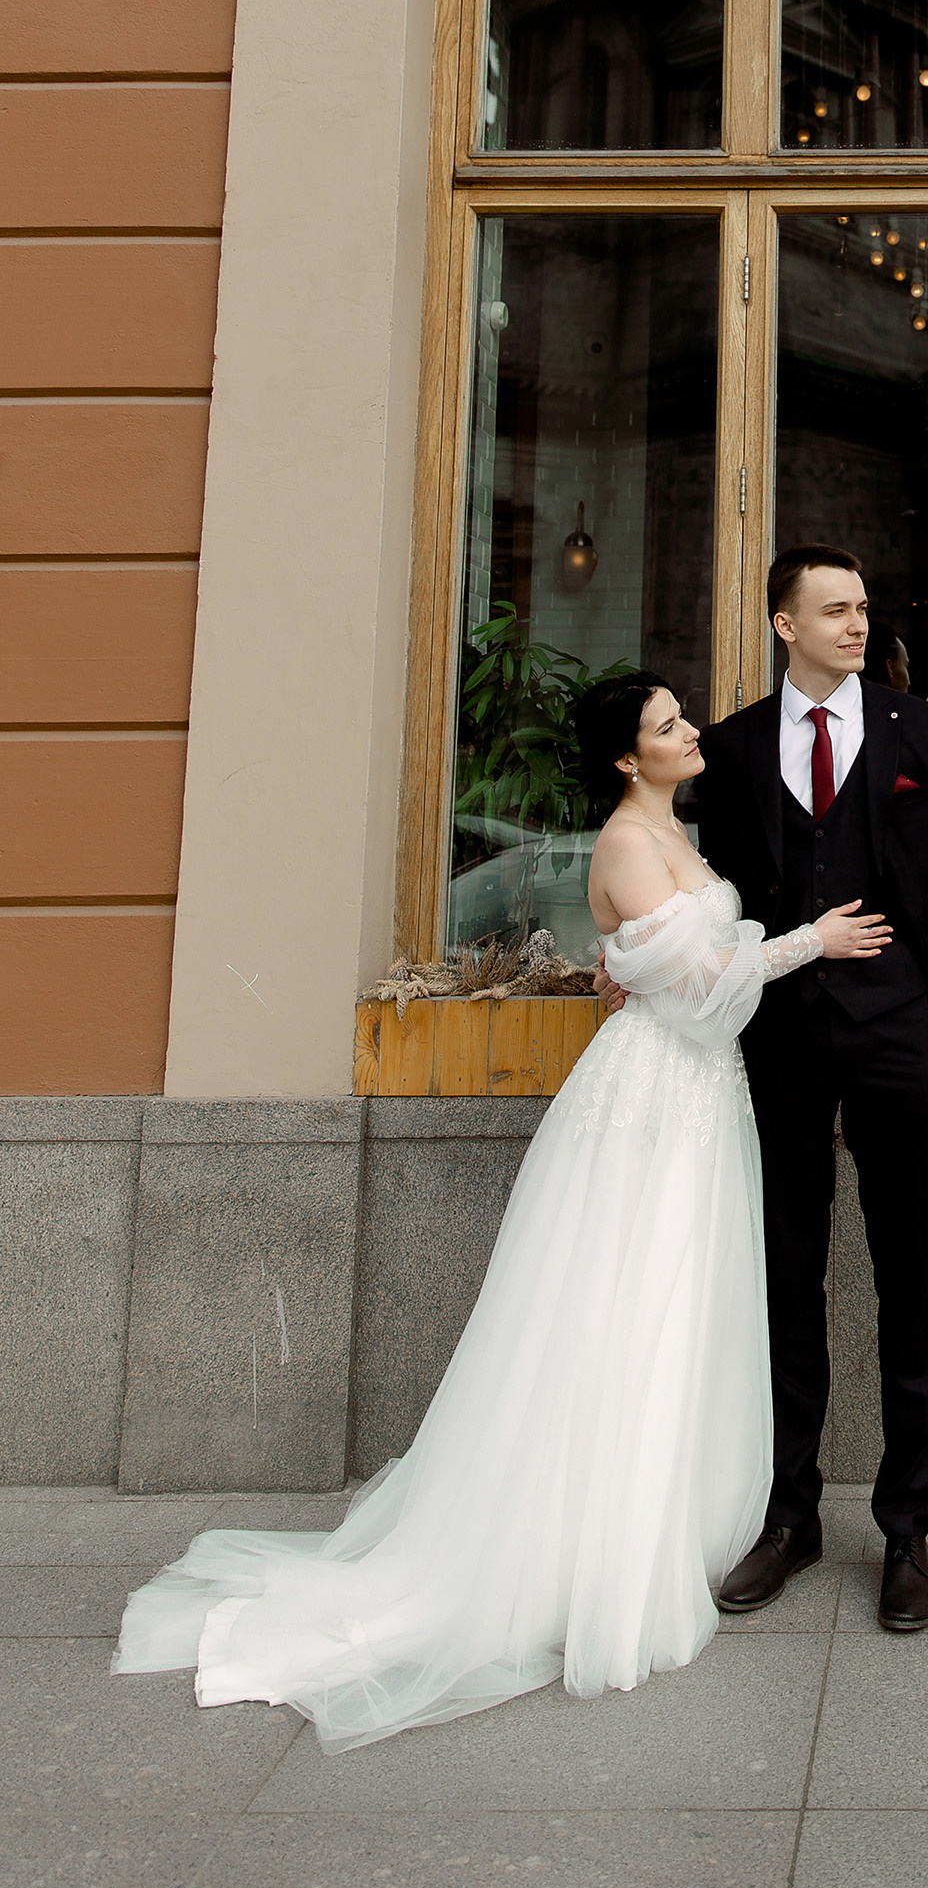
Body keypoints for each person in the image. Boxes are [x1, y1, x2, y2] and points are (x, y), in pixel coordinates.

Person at [110, 674, 888, 1752]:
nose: (689, 732)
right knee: (624, 1315)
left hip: (694, 1102)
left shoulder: (668, 829)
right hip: (651, 1109)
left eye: (681, 720)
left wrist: (650, 963)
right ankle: (593, 1553)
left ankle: (650, 1527)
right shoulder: (626, 841)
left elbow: (666, 970)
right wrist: (810, 941)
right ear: (627, 758)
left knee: (674, 1312)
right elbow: (705, 990)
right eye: (667, 726)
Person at [621, 548, 928, 1633]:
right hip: (776, 1041)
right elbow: (686, 875)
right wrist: (627, 943)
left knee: (906, 1278)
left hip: (898, 1035)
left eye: (864, 608)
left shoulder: (921, 732)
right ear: (786, 625)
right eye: (834, 610)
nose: (857, 625)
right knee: (784, 1275)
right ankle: (789, 1514)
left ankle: (905, 1529)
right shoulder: (722, 749)